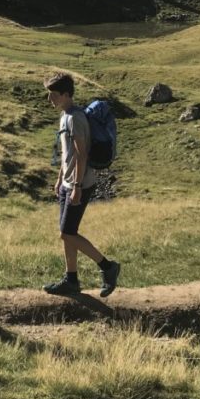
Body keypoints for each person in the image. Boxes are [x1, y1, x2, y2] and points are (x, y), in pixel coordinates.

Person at [41, 72, 120, 297]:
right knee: (67, 232)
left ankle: (108, 267)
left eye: (53, 94)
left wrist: (75, 185)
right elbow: (67, 154)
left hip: (80, 184)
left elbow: (81, 154)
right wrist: (60, 179)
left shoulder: (76, 118)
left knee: (67, 234)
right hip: (68, 182)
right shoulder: (65, 115)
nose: (50, 99)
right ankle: (71, 280)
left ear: (66, 94)